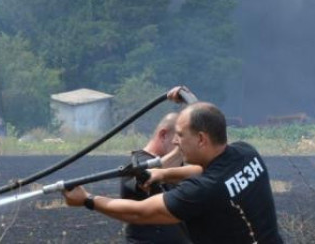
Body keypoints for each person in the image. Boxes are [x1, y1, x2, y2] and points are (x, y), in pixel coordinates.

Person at [63, 89, 283, 244]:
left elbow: (141, 213)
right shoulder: (246, 152)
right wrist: (163, 174)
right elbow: (205, 166)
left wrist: (88, 200)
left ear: (201, 139)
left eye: (180, 135)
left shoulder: (203, 191)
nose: (176, 142)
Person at [119, 112, 190, 243]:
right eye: (178, 139)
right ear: (163, 135)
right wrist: (180, 149)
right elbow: (149, 175)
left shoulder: (176, 167)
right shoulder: (135, 165)